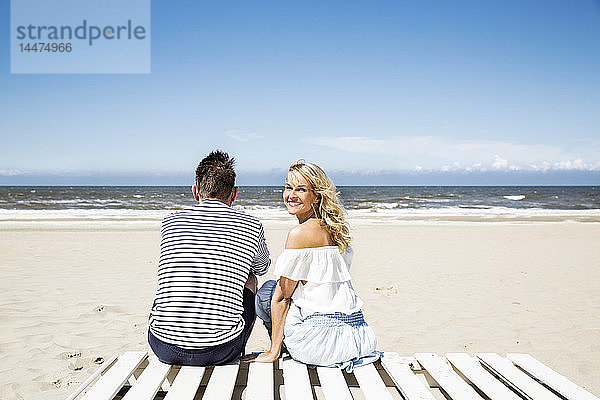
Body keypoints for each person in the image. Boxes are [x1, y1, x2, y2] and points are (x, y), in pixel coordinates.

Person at [250, 160, 379, 370]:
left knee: (267, 292)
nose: (291, 195)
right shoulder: (336, 230)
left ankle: (279, 348)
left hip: (319, 345)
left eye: (301, 189)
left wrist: (272, 352)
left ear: (316, 196)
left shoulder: (299, 234)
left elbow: (281, 298)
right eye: (288, 187)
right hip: (357, 339)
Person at [148, 150, 270, 366]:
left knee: (176, 277)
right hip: (220, 350)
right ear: (234, 193)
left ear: (195, 191)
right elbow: (261, 267)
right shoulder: (251, 224)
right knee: (250, 279)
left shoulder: (171, 221)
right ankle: (233, 344)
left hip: (162, 345)